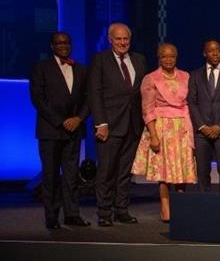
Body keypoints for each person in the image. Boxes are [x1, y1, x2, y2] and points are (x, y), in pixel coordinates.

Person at [29, 32, 91, 229]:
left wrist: (78, 118)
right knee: (51, 175)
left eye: (66, 42)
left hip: (74, 130)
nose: (63, 46)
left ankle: (72, 214)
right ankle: (52, 217)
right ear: (52, 46)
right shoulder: (41, 68)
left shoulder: (81, 69)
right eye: (59, 43)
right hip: (51, 130)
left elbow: (89, 99)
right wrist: (61, 121)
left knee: (72, 175)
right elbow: (38, 99)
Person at [88, 22, 147, 226]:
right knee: (106, 171)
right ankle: (104, 213)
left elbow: (142, 94)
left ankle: (121, 209)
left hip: (133, 125)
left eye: (126, 39)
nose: (122, 42)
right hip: (110, 125)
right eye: (118, 39)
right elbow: (94, 93)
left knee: (124, 171)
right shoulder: (100, 60)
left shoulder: (139, 60)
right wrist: (100, 123)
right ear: (110, 40)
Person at [132, 43, 197, 222]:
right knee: (165, 171)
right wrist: (153, 135)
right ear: (159, 58)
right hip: (162, 128)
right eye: (164, 56)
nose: (168, 59)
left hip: (182, 127)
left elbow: (189, 103)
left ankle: (180, 204)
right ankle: (165, 206)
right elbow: (148, 109)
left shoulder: (186, 76)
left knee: (182, 168)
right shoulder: (151, 79)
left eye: (172, 56)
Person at [188, 40, 220, 192]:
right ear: (204, 53)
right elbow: (192, 103)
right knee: (202, 171)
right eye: (211, 51)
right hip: (202, 132)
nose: (215, 53)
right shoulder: (194, 75)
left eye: (218, 50)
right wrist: (202, 126)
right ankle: (205, 204)